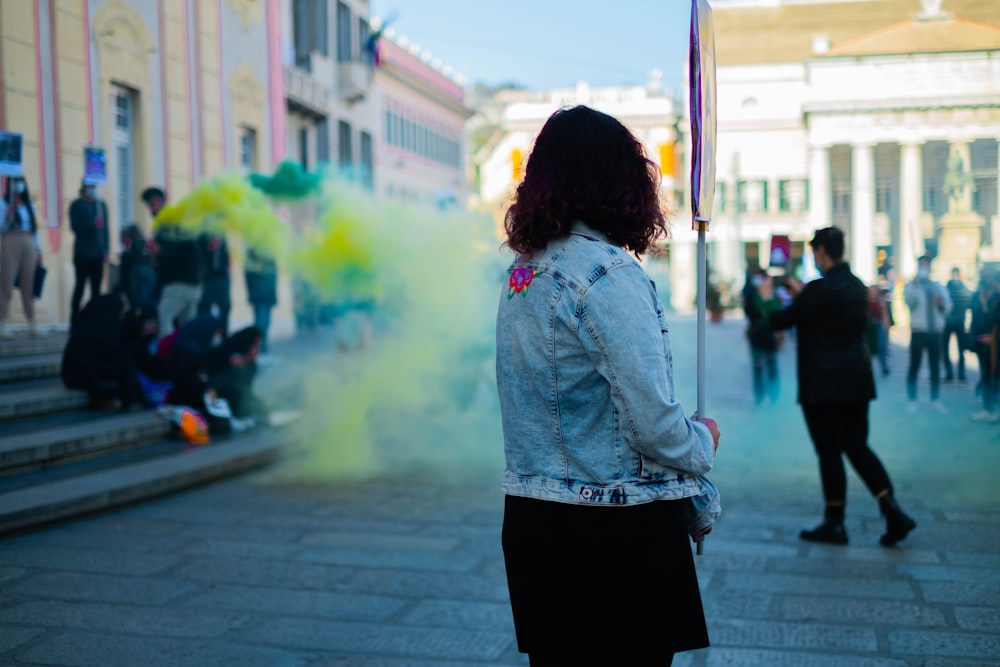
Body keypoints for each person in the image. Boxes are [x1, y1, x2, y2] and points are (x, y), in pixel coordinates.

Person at [495, 105, 721, 665]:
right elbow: (654, 427)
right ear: (621, 179)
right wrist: (703, 441)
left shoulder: (524, 271)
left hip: (534, 519)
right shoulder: (607, 273)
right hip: (611, 532)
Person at [766, 227, 916, 548]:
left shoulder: (817, 290)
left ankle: (835, 523)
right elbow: (820, 309)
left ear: (821, 252)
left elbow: (780, 320)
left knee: (829, 452)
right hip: (857, 381)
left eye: (815, 254)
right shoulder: (857, 286)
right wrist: (804, 294)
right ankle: (892, 511)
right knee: (857, 446)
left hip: (822, 385)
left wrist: (768, 298)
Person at [61, 292, 145, 410]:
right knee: (123, 364)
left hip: (74, 377)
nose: (121, 318)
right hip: (86, 376)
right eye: (120, 314)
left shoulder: (85, 330)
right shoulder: (103, 334)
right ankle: (131, 401)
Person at [142, 186, 204, 338]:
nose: (153, 207)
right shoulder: (165, 223)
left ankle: (168, 357)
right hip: (188, 282)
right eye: (150, 204)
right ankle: (187, 357)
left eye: (155, 202)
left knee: (165, 320)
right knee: (188, 327)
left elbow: (185, 248)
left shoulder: (170, 222)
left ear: (163, 201)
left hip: (179, 282)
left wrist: (160, 251)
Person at [903, 255, 951, 414]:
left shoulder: (937, 286)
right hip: (919, 331)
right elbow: (910, 303)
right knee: (914, 366)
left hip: (935, 332)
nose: (924, 268)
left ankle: (935, 399)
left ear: (930, 267)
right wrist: (915, 286)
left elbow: (948, 307)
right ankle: (912, 400)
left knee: (935, 367)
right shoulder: (911, 285)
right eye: (921, 265)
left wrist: (941, 304)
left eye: (926, 265)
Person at [0, 176, 44, 338]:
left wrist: (38, 250)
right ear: (10, 185)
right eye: (15, 182)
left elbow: (34, 229)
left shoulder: (29, 204)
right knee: (6, 283)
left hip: (29, 242)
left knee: (28, 286)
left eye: (21, 182)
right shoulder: (4, 204)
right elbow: (1, 228)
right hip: (11, 240)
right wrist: (7, 217)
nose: (19, 185)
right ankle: (2, 322)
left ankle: (32, 323)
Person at [68, 181, 110, 323]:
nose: (91, 189)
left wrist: (106, 249)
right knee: (80, 286)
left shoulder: (100, 205)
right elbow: (75, 227)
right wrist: (92, 224)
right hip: (83, 254)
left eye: (93, 186)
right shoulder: (76, 205)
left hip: (98, 254)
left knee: (96, 290)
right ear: (83, 188)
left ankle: (95, 319)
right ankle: (74, 319)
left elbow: (105, 230)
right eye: (89, 186)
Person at [743, 268, 781, 405]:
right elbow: (752, 313)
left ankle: (774, 397)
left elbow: (776, 314)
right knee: (758, 367)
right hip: (757, 335)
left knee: (772, 367)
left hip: (769, 335)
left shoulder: (772, 295)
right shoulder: (751, 295)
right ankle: (759, 397)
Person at [969, 269, 999, 423]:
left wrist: (986, 304)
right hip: (982, 343)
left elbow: (994, 318)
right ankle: (988, 407)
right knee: (986, 374)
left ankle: (992, 408)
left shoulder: (997, 298)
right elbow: (974, 318)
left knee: (994, 375)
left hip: (995, 344)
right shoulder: (977, 296)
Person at [244, 247, 278, 357]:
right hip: (262, 292)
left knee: (261, 320)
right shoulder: (263, 251)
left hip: (260, 293)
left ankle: (259, 347)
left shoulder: (252, 252)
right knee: (262, 322)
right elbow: (273, 274)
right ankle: (261, 348)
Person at [197, 232, 231, 335]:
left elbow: (225, 255)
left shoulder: (222, 236)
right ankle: (206, 333)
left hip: (221, 276)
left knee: (225, 307)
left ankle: (223, 333)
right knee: (205, 307)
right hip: (208, 278)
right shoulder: (202, 236)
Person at [942, 266, 972, 384]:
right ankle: (961, 375)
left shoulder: (945, 290)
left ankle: (950, 374)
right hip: (960, 322)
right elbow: (970, 303)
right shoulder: (965, 290)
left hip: (948, 323)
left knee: (947, 349)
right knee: (960, 350)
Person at [118, 224, 156, 309]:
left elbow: (124, 274)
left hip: (135, 281)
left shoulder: (130, 249)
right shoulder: (146, 245)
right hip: (149, 279)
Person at [867, 283, 891, 377]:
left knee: (882, 347)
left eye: (874, 291)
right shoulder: (866, 302)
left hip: (878, 325)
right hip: (869, 328)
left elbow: (885, 315)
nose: (873, 293)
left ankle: (884, 366)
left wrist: (886, 328)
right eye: (871, 291)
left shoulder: (881, 301)